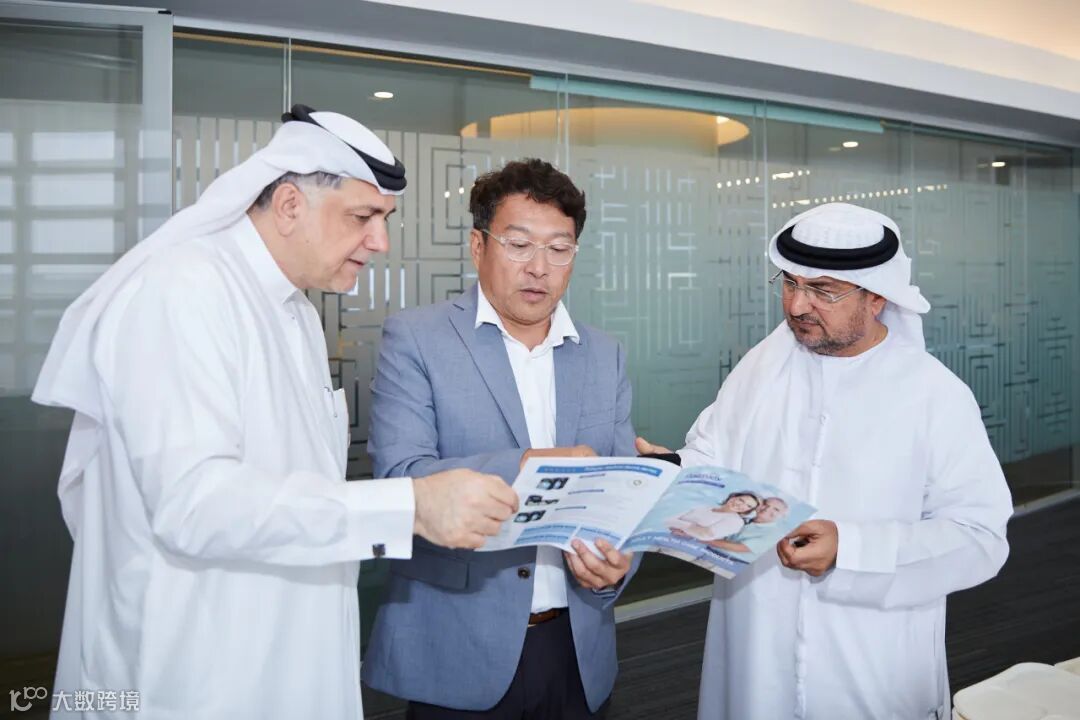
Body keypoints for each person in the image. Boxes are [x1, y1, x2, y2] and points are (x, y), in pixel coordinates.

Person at [32, 104, 518, 719]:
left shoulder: (296, 313)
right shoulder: (182, 289)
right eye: (363, 217)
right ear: (289, 204)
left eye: (384, 220)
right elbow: (193, 503)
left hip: (285, 657)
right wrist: (411, 506)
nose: (380, 242)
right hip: (193, 672)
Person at [636, 203, 1012, 720]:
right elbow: (713, 453)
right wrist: (672, 467)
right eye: (790, 283)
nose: (797, 305)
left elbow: (980, 537)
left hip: (869, 660)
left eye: (823, 291)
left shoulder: (935, 395)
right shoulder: (761, 367)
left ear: (877, 297)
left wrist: (849, 550)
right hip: (757, 644)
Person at [362, 159, 637, 719]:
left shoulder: (604, 353)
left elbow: (625, 493)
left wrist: (619, 567)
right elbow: (400, 479)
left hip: (578, 647)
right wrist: (532, 464)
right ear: (477, 246)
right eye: (519, 244)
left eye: (559, 249)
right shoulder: (417, 338)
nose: (539, 267)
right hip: (459, 646)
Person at [707, 497, 789, 556]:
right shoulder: (743, 519)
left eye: (776, 509)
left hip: (728, 564)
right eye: (766, 504)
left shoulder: (773, 535)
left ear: (782, 516)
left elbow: (739, 548)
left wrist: (704, 539)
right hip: (710, 552)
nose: (767, 509)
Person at [667, 491, 760, 542]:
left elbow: (705, 535)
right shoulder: (704, 507)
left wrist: (681, 525)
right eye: (741, 500)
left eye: (748, 506)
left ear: (747, 511)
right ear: (733, 497)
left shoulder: (736, 521)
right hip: (670, 540)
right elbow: (668, 520)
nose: (741, 505)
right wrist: (693, 529)